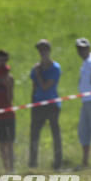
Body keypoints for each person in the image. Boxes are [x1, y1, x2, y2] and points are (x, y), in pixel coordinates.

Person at [29, 39, 62, 169]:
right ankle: (32, 163)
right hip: (38, 104)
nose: (42, 52)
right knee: (34, 134)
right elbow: (34, 86)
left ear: (49, 51)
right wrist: (32, 102)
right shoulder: (36, 68)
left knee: (55, 133)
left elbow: (45, 86)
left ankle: (58, 163)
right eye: (40, 50)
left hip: (52, 104)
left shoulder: (55, 68)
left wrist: (38, 73)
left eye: (44, 50)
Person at [75, 38, 91, 167]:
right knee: (83, 130)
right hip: (86, 101)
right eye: (79, 49)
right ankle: (85, 162)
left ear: (89, 48)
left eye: (84, 48)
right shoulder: (85, 62)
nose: (82, 51)